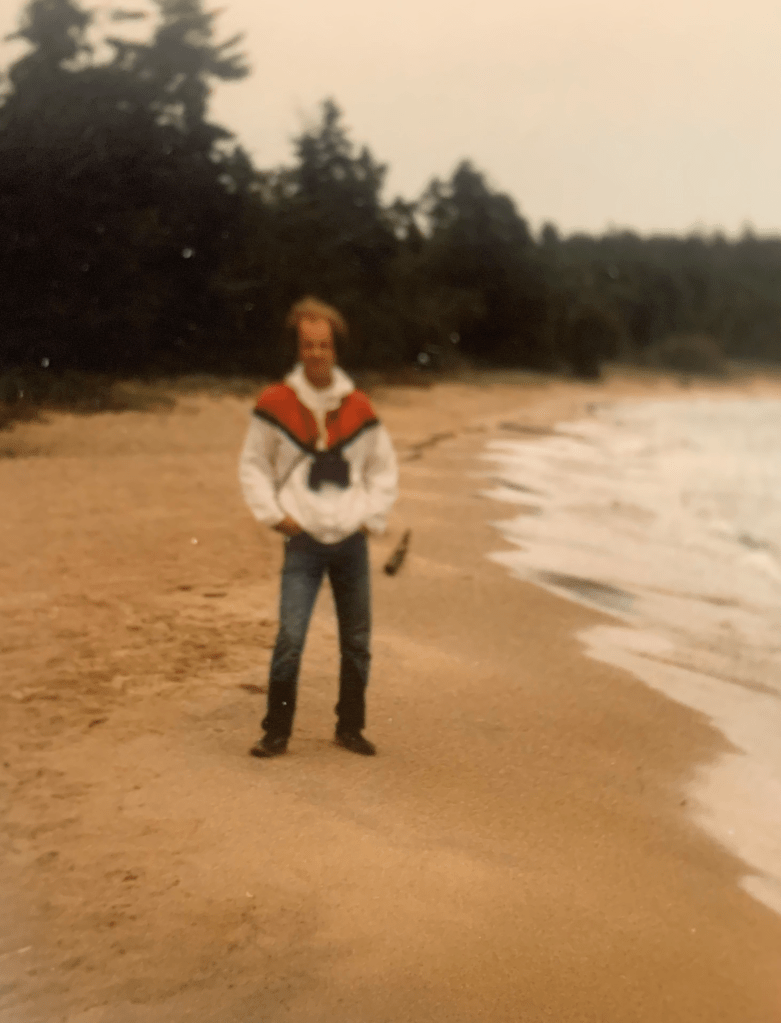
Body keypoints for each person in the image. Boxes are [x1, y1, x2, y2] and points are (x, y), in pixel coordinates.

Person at [239, 297, 398, 758]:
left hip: (350, 541)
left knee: (357, 642)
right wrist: (275, 516)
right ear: (297, 348)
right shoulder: (275, 402)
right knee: (290, 638)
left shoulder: (359, 406)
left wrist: (369, 519)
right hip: (303, 540)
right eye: (308, 345)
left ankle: (350, 728)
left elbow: (383, 468)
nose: (316, 353)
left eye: (323, 345)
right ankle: (276, 732)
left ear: (336, 348)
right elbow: (253, 464)